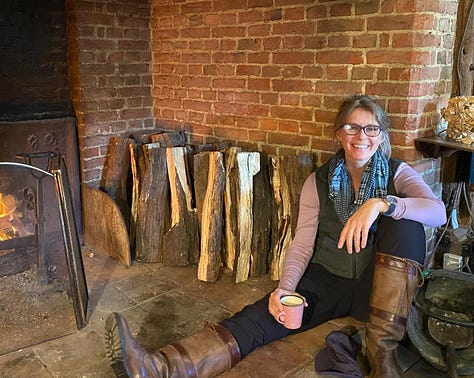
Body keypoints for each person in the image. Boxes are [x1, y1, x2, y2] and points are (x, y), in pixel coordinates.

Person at [105, 94, 447, 378]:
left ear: (382, 135)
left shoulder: (397, 173)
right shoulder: (319, 181)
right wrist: (285, 288)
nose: (362, 136)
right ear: (339, 135)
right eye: (352, 127)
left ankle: (381, 355)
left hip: (377, 291)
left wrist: (382, 203)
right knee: (264, 314)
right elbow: (302, 242)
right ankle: (160, 368)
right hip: (327, 279)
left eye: (371, 128)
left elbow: (438, 212)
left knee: (408, 223)